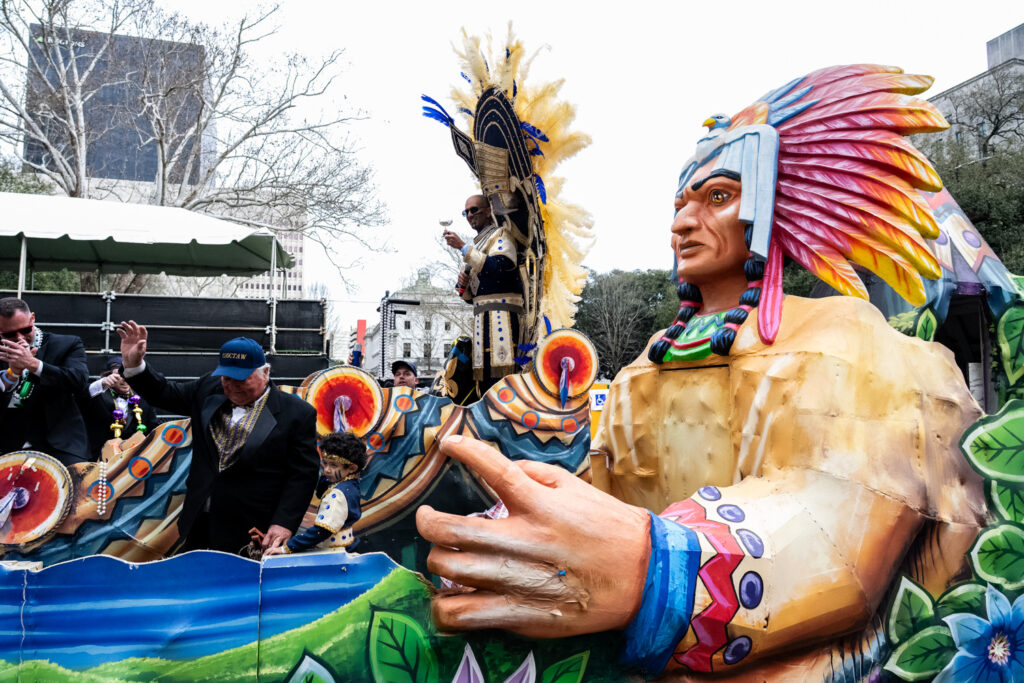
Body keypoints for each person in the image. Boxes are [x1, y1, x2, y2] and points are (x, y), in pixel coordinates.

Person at [416, 65, 987, 679]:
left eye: (718, 197)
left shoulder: (841, 337)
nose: (683, 223)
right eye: (681, 205)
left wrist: (655, 566)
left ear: (771, 209)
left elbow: (843, 532)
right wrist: (519, 535)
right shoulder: (646, 364)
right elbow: (603, 495)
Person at [117, 324, 320, 555]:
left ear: (265, 373)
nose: (232, 386)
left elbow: (302, 475)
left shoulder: (297, 413)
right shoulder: (208, 389)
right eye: (227, 378)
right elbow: (165, 393)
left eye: (242, 379)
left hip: (255, 529)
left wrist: (283, 522)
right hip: (200, 522)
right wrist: (135, 366)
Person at [443, 194, 524, 388]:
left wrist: (463, 248)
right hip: (481, 321)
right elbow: (473, 294)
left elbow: (500, 266)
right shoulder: (478, 243)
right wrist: (463, 285)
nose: (470, 215)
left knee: (502, 376)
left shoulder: (502, 235)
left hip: (502, 318)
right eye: (466, 212)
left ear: (488, 212)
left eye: (474, 210)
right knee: (483, 377)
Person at [0, 297, 89, 465]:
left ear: (32, 318)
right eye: (9, 334)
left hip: (61, 444)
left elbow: (79, 382)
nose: (20, 338)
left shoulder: (66, 343)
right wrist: (12, 374)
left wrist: (33, 365)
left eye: (25, 330)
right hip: (8, 445)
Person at [265, 431, 366, 555]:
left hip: (332, 551)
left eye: (333, 465)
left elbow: (321, 531)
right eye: (325, 464)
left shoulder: (338, 495)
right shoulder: (351, 484)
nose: (327, 470)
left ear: (352, 468)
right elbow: (321, 491)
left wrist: (287, 548)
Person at [81, 356, 158, 459]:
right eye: (119, 375)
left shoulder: (143, 398)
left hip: (134, 458)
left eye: (129, 374)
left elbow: (153, 428)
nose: (124, 380)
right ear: (108, 376)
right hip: (100, 458)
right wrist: (102, 384)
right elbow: (80, 396)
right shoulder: (96, 396)